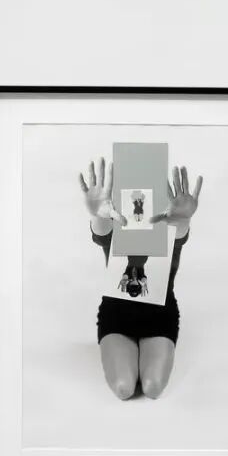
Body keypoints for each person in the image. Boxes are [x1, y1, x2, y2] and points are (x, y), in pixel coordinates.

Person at [78, 157, 202, 400]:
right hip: (116, 315)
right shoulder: (119, 227)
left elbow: (179, 236)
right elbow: (102, 233)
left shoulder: (165, 228)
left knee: (152, 387)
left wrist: (182, 219)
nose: (140, 206)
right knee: (124, 387)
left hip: (160, 314)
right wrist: (98, 215)